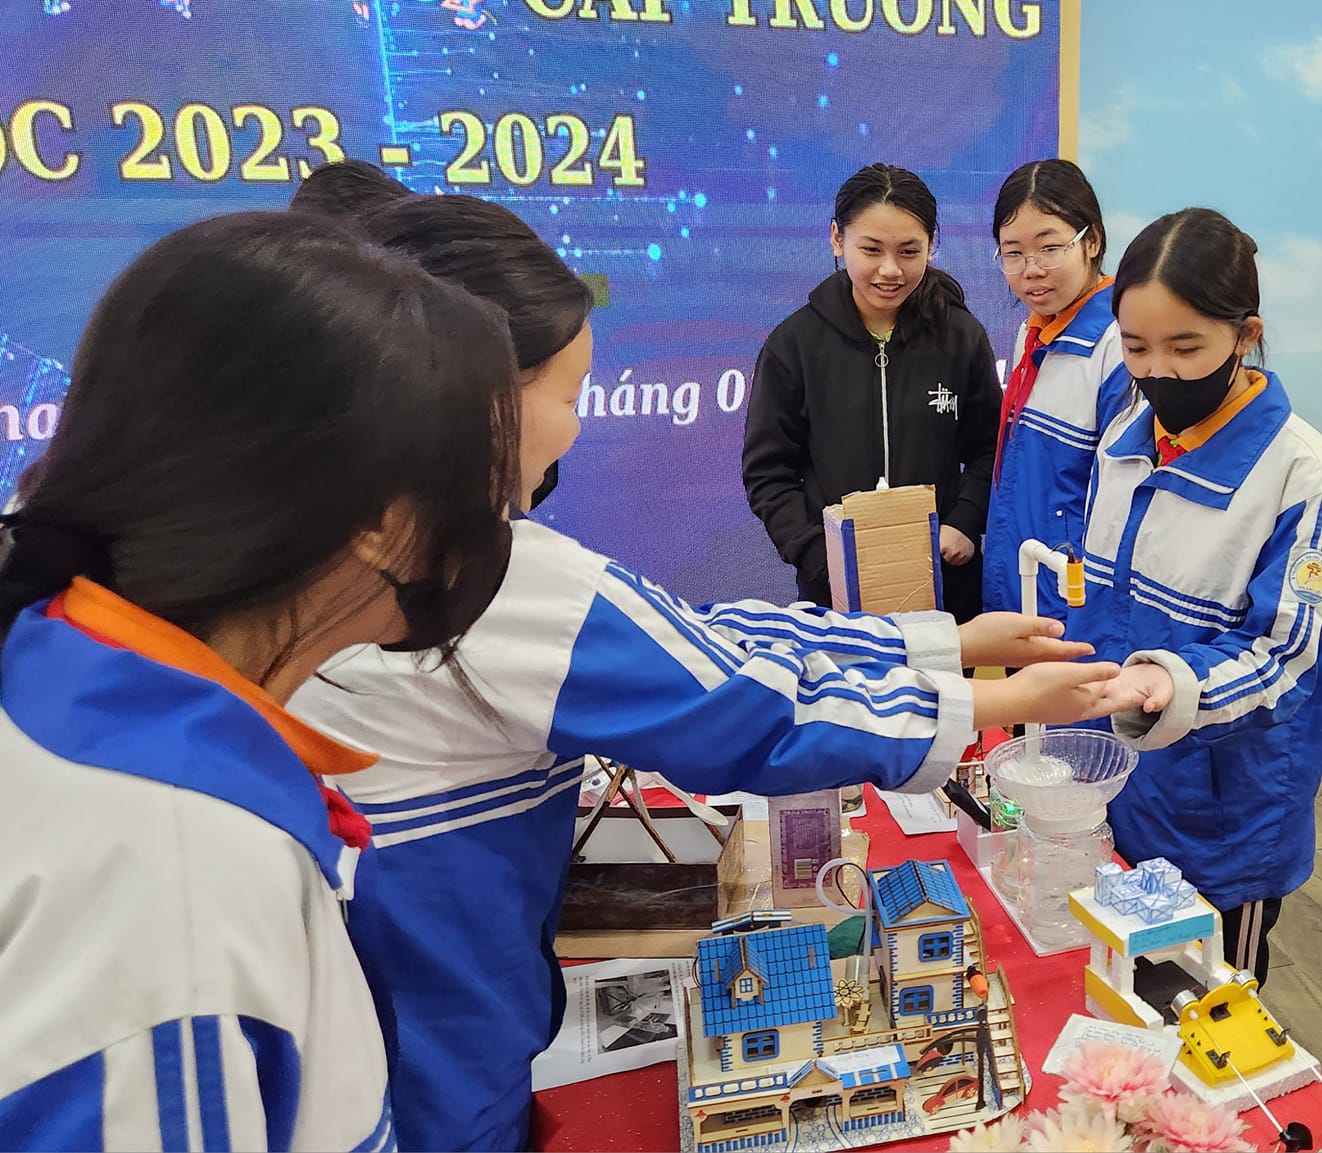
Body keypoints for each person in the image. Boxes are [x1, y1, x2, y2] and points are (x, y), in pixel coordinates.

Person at [285, 167, 1128, 1152]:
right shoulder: (479, 575)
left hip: (396, 1007)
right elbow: (743, 703)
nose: (575, 427)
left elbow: (702, 636)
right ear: (477, 397)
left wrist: (943, 640)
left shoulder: (340, 544)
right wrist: (978, 698)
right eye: (569, 394)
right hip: (430, 1036)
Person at [0, 211, 523, 1150]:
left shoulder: (61, 682)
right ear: (378, 516)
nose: (505, 506)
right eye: (480, 474)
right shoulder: (172, 875)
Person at [1082, 208, 1322, 987]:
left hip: (1218, 819)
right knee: (1117, 1000)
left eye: (1186, 348)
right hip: (1117, 788)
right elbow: (1103, 602)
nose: (1158, 372)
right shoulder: (1125, 442)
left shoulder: (1306, 481)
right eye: (1135, 347)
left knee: (1206, 1011)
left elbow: (1283, 659)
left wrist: (1170, 683)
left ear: (1246, 336)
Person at [743, 163, 1001, 620]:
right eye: (871, 249)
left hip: (945, 590)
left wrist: (965, 521)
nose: (890, 270)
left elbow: (990, 450)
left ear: (931, 245)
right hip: (834, 598)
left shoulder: (961, 337)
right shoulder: (794, 345)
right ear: (837, 239)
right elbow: (768, 472)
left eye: (908, 251)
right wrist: (820, 558)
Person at [982, 159, 1123, 621]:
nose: (1032, 270)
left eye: (1049, 248)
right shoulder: (1033, 331)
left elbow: (1119, 503)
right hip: (1019, 582)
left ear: (1092, 241)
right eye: (1013, 253)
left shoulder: (1119, 344)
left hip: (1072, 601)